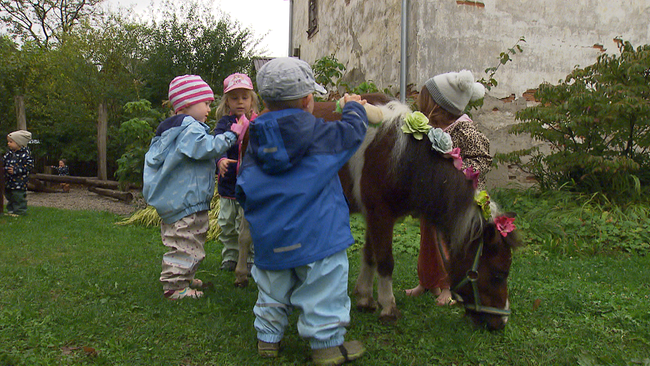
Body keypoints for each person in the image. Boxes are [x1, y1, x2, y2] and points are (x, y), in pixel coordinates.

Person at [235, 58, 368, 365]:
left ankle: (267, 340)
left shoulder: (255, 137)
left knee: (270, 289)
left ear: (265, 102)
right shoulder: (320, 133)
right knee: (324, 288)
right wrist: (354, 107)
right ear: (309, 100)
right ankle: (326, 345)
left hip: (270, 238)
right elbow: (352, 133)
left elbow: (243, 185)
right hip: (318, 237)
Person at [143, 74, 245, 300]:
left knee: (183, 239)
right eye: (206, 103)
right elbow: (207, 148)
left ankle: (184, 276)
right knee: (187, 241)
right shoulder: (190, 128)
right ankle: (174, 286)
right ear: (188, 104)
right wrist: (232, 135)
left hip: (178, 199)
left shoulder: (173, 129)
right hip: (187, 200)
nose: (209, 108)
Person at [404, 70, 493, 306]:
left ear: (439, 105)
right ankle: (427, 280)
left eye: (425, 99)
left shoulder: (464, 130)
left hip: (458, 200)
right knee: (428, 240)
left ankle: (448, 285)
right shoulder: (433, 130)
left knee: (447, 243)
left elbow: (481, 161)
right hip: (434, 198)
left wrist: (454, 165)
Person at [212, 73, 259, 272]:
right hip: (228, 185)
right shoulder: (224, 123)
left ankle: (248, 256)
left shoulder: (257, 122)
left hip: (250, 186)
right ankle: (230, 255)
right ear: (227, 101)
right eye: (234, 97)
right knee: (227, 223)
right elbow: (217, 143)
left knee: (246, 222)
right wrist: (221, 159)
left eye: (244, 97)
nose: (240, 102)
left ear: (251, 100)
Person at [3, 130, 34, 216]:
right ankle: (11, 210)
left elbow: (29, 166)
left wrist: (16, 170)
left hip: (19, 181)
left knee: (18, 196)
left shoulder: (25, 155)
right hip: (9, 180)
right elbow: (3, 162)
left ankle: (20, 211)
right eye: (8, 142)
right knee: (9, 195)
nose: (8, 144)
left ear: (19, 143)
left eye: (11, 142)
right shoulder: (9, 154)